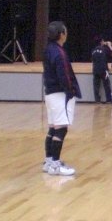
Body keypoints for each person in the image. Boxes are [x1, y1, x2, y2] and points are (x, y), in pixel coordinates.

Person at [42, 21, 81, 176]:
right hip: (59, 94)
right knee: (61, 129)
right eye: (65, 31)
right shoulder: (59, 53)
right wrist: (70, 91)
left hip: (50, 93)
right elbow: (64, 74)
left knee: (53, 127)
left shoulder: (48, 49)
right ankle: (55, 165)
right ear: (61, 34)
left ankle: (49, 161)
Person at [91, 36, 112, 104]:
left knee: (96, 86)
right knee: (106, 85)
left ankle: (97, 100)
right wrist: (109, 45)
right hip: (103, 69)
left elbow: (93, 60)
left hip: (95, 70)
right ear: (101, 42)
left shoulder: (93, 50)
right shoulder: (104, 49)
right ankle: (109, 100)